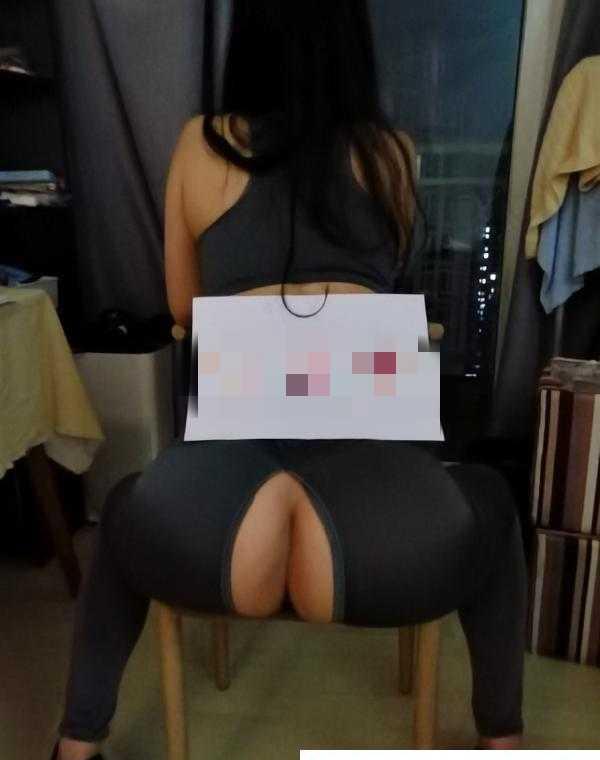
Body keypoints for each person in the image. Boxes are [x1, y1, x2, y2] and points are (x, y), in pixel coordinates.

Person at [51, 2, 527, 757]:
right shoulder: (390, 154)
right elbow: (392, 286)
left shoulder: (198, 144)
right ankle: (505, 740)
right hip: (377, 547)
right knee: (492, 501)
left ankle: (75, 745)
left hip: (219, 537)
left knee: (125, 506)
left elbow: (184, 310)